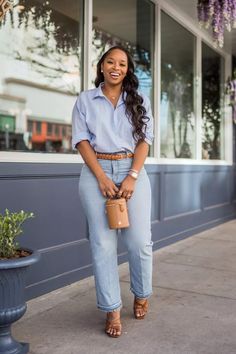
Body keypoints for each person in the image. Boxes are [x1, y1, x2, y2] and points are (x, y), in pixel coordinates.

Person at [72, 46, 154, 338]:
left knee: (139, 242)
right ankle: (112, 309)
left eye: (122, 63)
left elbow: (145, 140)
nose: (115, 67)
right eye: (110, 61)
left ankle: (142, 292)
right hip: (96, 173)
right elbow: (81, 141)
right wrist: (101, 178)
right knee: (103, 246)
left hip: (133, 172)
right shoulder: (85, 100)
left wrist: (131, 176)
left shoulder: (139, 99)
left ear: (127, 70)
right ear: (102, 66)